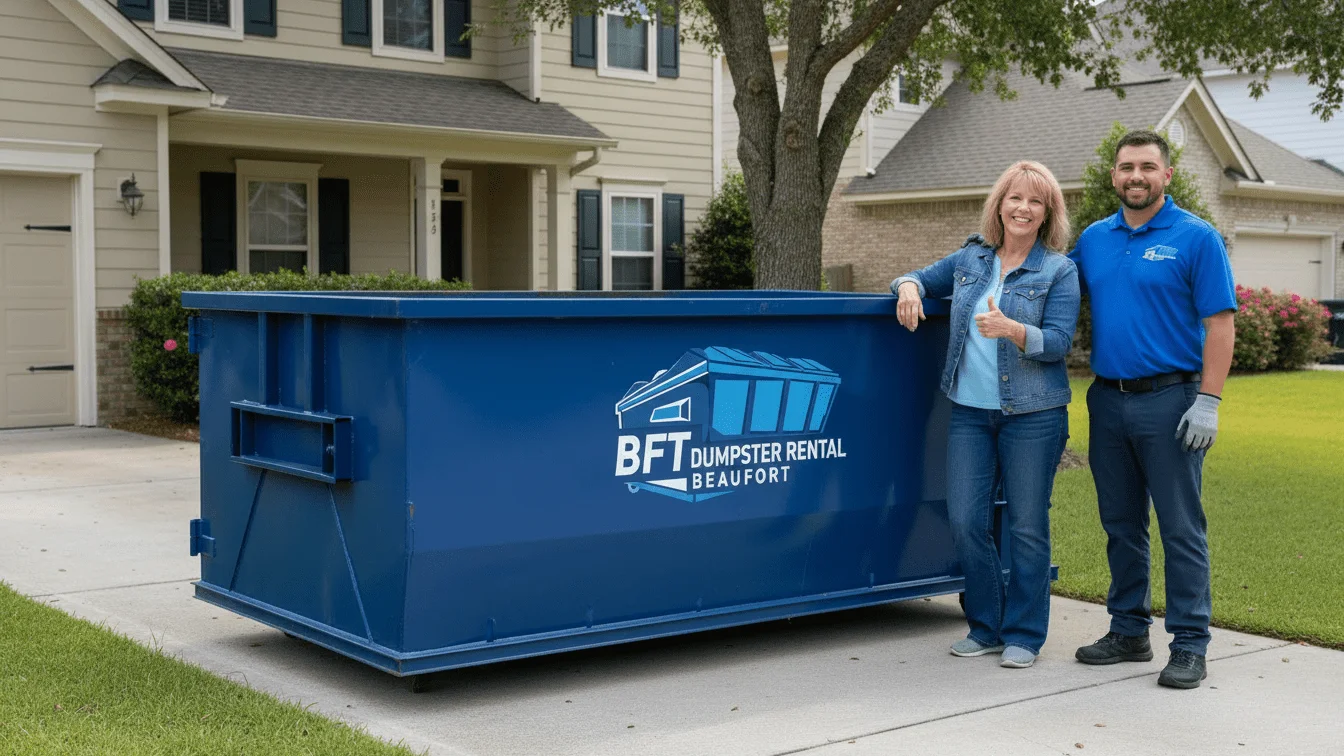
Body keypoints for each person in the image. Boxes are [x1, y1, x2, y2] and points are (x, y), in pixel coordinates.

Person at [891, 160, 1080, 669]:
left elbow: (1061, 342)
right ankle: (986, 626)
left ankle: (1024, 634)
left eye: (1034, 202)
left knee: (1025, 526)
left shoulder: (1058, 270)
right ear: (999, 204)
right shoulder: (971, 259)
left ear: (1046, 214)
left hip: (1034, 415)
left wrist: (1016, 330)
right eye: (1014, 198)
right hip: (971, 414)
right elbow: (912, 277)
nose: (1023, 208)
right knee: (967, 520)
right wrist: (909, 290)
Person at [1068, 130, 1236, 690]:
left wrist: (1208, 402)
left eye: (1146, 166)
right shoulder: (1093, 239)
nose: (1134, 176)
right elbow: (1041, 280)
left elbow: (1220, 325)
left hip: (1172, 401)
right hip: (1107, 401)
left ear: (1167, 175)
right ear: (1113, 176)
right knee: (1120, 524)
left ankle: (1190, 643)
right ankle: (1128, 630)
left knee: (1181, 527)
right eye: (1125, 167)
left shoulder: (1196, 238)